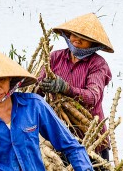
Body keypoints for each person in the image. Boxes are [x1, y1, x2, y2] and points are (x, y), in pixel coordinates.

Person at [36, 13, 114, 163]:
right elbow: (36, 93)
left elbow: (92, 97)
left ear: (93, 43)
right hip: (58, 133)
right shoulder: (54, 58)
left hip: (91, 137)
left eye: (84, 38)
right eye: (74, 35)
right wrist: (41, 86)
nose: (77, 40)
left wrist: (65, 88)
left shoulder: (98, 64)